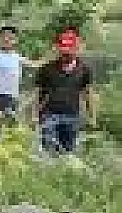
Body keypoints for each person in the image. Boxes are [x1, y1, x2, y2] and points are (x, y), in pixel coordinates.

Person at [32, 28, 98, 156]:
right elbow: (38, 93)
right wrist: (35, 115)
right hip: (49, 115)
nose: (65, 55)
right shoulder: (46, 69)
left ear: (76, 49)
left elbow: (88, 94)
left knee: (67, 154)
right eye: (63, 51)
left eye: (69, 51)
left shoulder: (84, 70)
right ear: (58, 49)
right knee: (49, 153)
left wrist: (92, 117)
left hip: (72, 116)